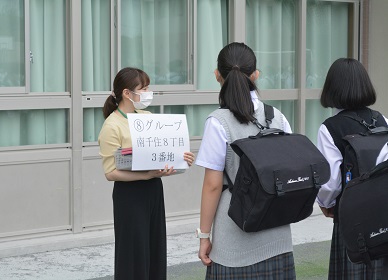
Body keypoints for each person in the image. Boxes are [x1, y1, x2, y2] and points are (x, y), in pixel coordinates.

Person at [195, 42, 296, 279]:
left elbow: (212, 185)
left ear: (217, 75)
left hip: (234, 239)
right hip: (277, 234)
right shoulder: (277, 117)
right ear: (256, 75)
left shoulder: (218, 121)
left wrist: (203, 236)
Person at [98, 67, 195, 280]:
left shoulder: (147, 117)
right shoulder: (111, 126)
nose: (148, 92)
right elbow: (111, 173)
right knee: (132, 251)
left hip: (153, 190)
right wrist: (146, 175)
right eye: (144, 88)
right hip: (129, 195)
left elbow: (160, 157)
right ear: (126, 93)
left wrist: (181, 159)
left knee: (154, 247)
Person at [316, 58, 387, 279]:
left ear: (332, 88)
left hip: (352, 220)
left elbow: (330, 184)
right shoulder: (382, 120)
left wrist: (326, 205)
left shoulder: (330, 128)